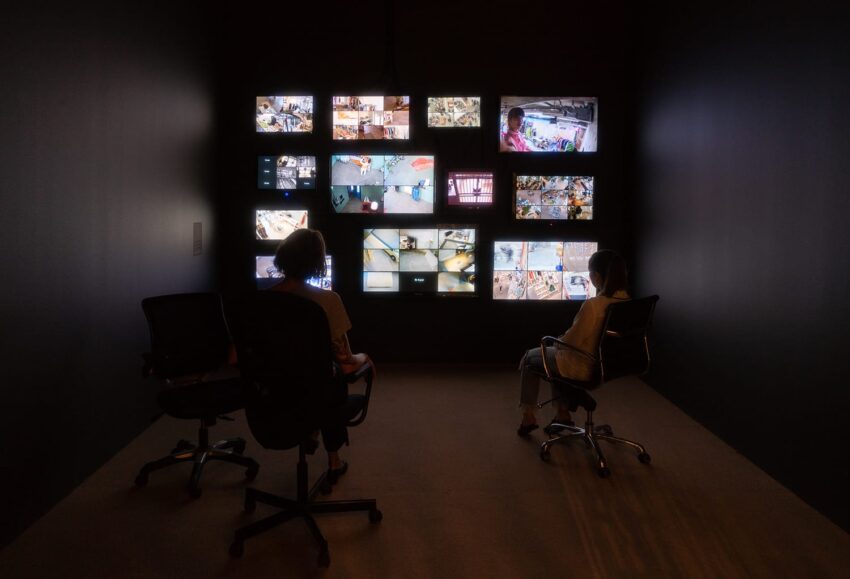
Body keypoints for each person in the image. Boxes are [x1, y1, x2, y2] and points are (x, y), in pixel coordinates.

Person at [270, 229, 375, 482]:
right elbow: (345, 360)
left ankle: (311, 432)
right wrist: (366, 359)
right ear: (317, 262)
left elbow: (234, 357)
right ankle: (334, 461)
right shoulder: (327, 300)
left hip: (272, 394)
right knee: (334, 382)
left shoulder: (258, 302)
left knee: (314, 379)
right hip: (316, 394)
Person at [516, 250, 630, 436]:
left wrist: (559, 340)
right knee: (552, 354)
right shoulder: (627, 302)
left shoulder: (594, 305)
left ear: (596, 276)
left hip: (582, 365)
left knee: (531, 357)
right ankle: (562, 414)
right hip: (609, 365)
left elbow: (571, 342)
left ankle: (528, 417)